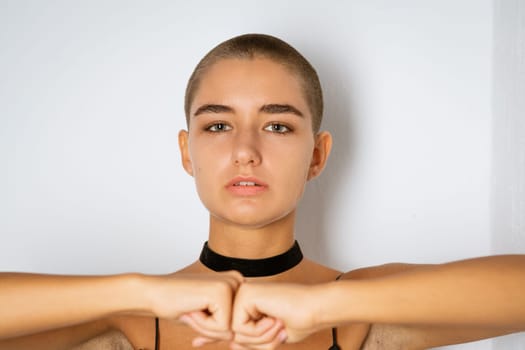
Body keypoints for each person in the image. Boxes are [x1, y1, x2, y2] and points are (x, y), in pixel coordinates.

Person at [1, 33, 524, 350]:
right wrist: (140, 292)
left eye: (277, 126)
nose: (245, 150)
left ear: (317, 155)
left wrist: (322, 307)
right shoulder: (133, 320)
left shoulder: (354, 312)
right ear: (187, 152)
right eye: (218, 126)